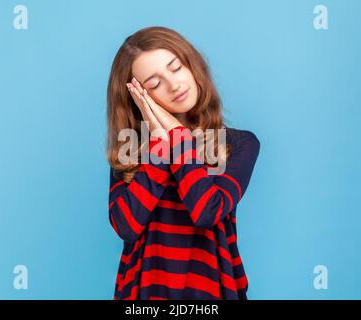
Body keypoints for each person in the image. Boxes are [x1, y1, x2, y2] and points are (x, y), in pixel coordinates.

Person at [106, 26, 260, 300]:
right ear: (139, 99)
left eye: (176, 68)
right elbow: (126, 227)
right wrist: (161, 146)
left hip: (214, 291)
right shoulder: (131, 151)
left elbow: (206, 212)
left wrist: (177, 137)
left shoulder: (239, 144)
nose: (174, 85)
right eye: (154, 84)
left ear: (192, 66)